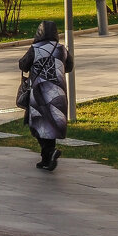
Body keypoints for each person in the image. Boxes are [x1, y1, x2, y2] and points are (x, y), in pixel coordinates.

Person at [18, 20, 74, 171]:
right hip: (58, 92)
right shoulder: (61, 49)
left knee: (36, 123)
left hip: (39, 93)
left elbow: (23, 65)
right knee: (53, 123)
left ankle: (48, 153)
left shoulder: (35, 48)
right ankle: (47, 158)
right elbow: (69, 67)